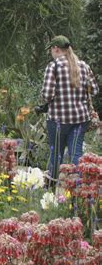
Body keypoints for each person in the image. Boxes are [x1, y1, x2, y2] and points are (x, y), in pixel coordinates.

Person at [41, 35, 98, 184]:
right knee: (76, 153)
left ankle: (51, 189)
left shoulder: (53, 67)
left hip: (58, 120)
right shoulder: (83, 66)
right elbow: (94, 90)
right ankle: (77, 190)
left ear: (56, 49)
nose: (51, 53)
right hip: (80, 120)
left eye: (51, 50)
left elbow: (47, 95)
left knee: (56, 154)